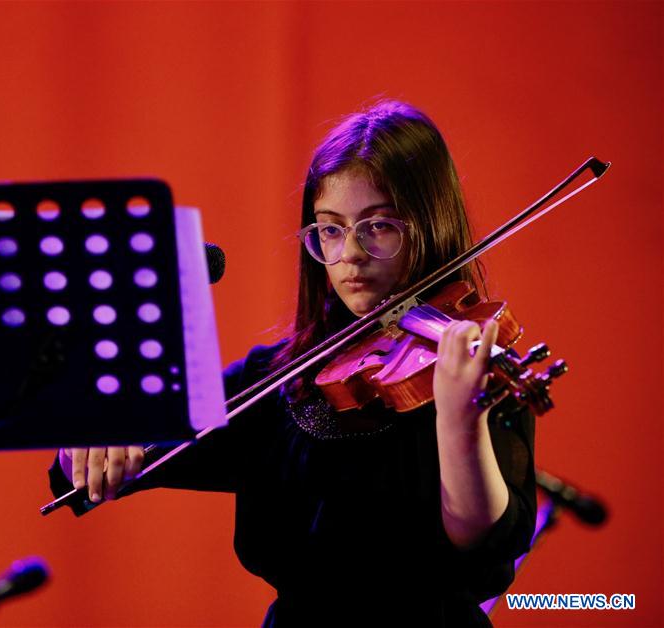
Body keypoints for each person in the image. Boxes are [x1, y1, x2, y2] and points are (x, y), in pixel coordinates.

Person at [49, 100, 536, 626]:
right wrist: (94, 434)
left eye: (378, 226)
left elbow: (482, 552)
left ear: (430, 224)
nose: (350, 253)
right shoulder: (281, 381)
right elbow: (85, 472)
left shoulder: (474, 365)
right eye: (329, 229)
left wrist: (461, 423)